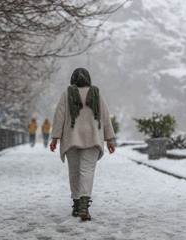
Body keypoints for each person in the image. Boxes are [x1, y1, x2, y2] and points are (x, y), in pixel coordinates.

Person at [50, 68, 116, 221]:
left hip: (71, 138)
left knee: (74, 172)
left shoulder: (67, 93)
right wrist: (109, 139)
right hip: (93, 138)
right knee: (87, 171)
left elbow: (59, 116)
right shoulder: (96, 93)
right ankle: (84, 206)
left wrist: (55, 138)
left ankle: (76, 204)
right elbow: (105, 116)